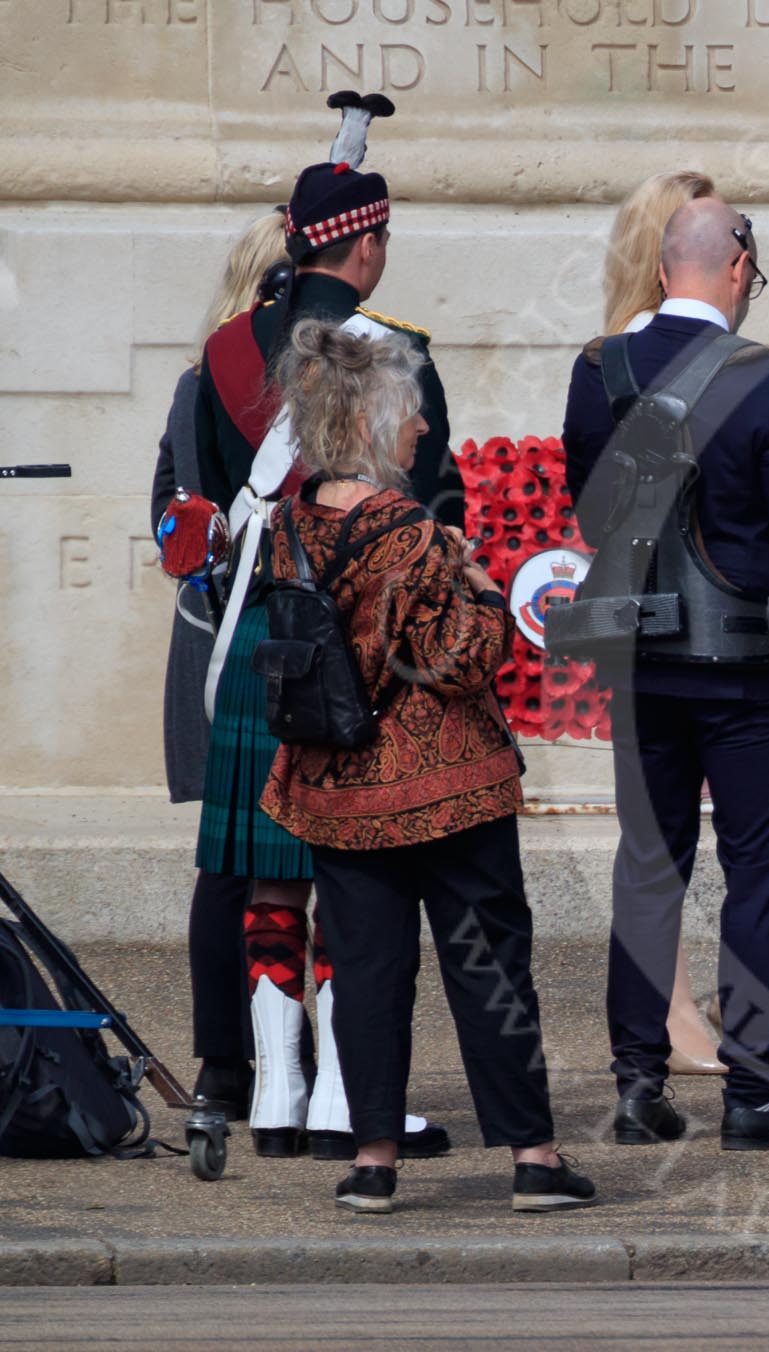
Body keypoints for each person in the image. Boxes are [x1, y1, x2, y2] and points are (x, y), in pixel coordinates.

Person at [562, 197, 769, 1150]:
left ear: (667, 271)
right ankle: (752, 1090)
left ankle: (636, 1084)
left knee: (648, 870)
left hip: (641, 664)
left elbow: (592, 522)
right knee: (756, 879)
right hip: (746, 672)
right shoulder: (767, 382)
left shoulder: (599, 371)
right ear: (738, 268)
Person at [260, 319, 594, 1215]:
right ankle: (534, 1156)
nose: (421, 433)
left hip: (336, 786)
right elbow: (455, 662)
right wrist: (486, 600)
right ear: (375, 421)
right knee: (487, 966)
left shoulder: (289, 525)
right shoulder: (413, 531)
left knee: (366, 972)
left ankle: (373, 1161)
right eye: (410, 417)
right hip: (445, 785)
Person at [192, 158, 450, 1159]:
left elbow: (216, 500)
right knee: (357, 870)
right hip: (360, 625)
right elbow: (432, 500)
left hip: (262, 625)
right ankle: (348, 1094)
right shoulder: (400, 351)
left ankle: (279, 1094)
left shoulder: (224, 349)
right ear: (368, 241)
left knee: (269, 873)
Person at [149, 208, 288, 1118]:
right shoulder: (211, 381)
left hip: (233, 631)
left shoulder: (217, 375)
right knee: (236, 860)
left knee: (247, 859)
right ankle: (230, 1060)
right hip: (235, 632)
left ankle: (259, 1056)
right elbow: (168, 513)